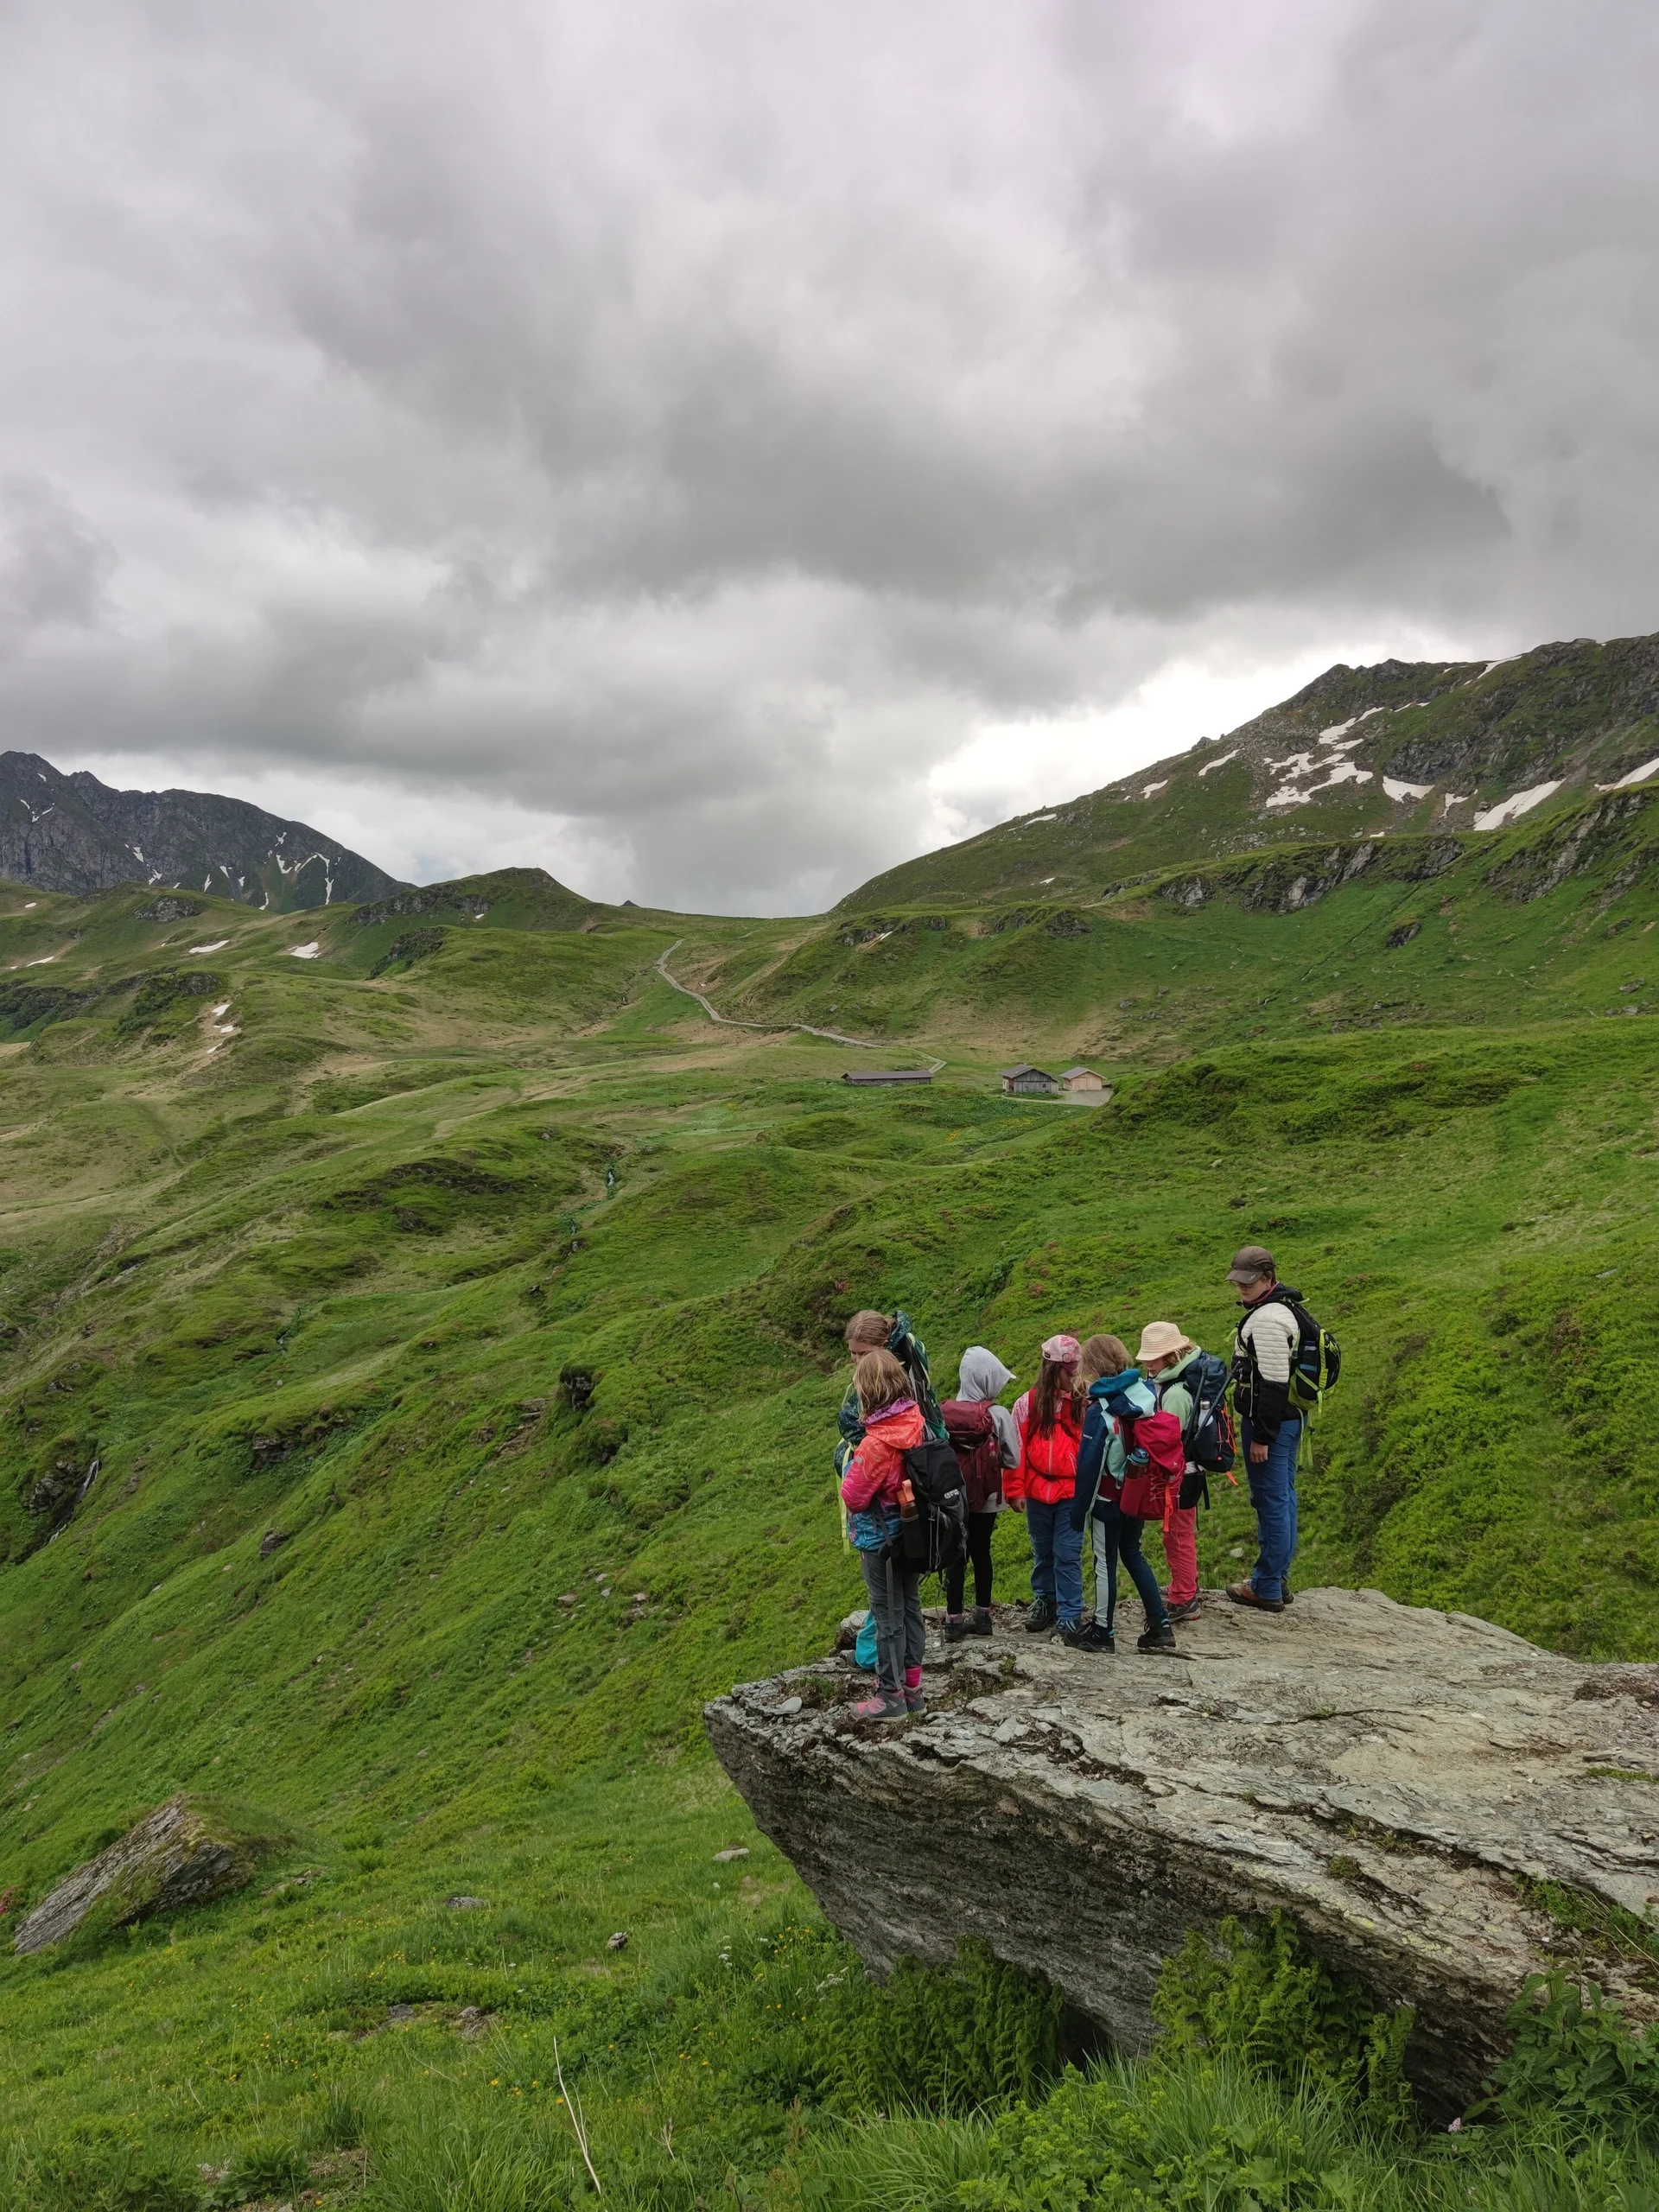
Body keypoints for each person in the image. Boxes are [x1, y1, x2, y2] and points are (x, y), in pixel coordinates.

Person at [839, 1348, 928, 1719]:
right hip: (911, 1532)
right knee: (910, 1609)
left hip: (880, 1540)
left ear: (869, 1392)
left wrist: (853, 1460)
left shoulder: (877, 1443)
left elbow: (854, 1496)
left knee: (886, 1616)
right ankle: (913, 1689)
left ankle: (889, 1695)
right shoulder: (914, 1421)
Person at [1073, 1336, 1175, 1654]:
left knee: (1105, 1563)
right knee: (1133, 1553)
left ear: (1091, 1368)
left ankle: (1103, 1631)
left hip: (1107, 1498)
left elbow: (1090, 1467)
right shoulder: (1144, 1393)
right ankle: (1160, 1625)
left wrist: (1078, 1513)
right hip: (1136, 1491)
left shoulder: (1100, 1409)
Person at [1225, 1244, 1303, 1613]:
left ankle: (1267, 1586)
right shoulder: (1282, 1308)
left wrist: (1262, 1436)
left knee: (1271, 1502)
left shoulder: (1269, 1320)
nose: (1242, 1288)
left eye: (1249, 1282)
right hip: (1288, 1420)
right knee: (1283, 1498)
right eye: (1238, 1281)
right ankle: (1279, 1579)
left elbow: (1273, 1383)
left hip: (1270, 1423)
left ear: (1269, 1278)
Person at [938, 1346, 1020, 1640]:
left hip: (952, 1499)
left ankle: (953, 1620)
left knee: (955, 1555)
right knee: (981, 1552)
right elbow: (1013, 1460)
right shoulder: (998, 1414)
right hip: (987, 1500)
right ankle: (983, 1616)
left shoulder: (944, 1412)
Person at [1007, 1333, 1085, 1643]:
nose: (1075, 1377)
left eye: (1077, 1369)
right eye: (1070, 1372)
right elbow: (1015, 1450)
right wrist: (1015, 1490)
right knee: (1043, 1550)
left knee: (1067, 1553)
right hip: (1038, 1491)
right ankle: (1046, 1599)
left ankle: (1070, 1612)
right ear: (1053, 1368)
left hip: (1071, 1492)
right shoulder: (1026, 1404)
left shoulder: (1084, 1401)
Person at [1137, 1322, 1204, 1623]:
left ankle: (1184, 1599)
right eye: (1147, 1355)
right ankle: (1186, 1587)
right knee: (1178, 1534)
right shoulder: (1172, 1383)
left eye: (1156, 1355)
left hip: (1180, 1475)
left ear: (1172, 1355)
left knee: (1177, 1536)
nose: (1149, 1361)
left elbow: (1170, 1441)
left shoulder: (1175, 1393)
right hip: (1186, 1472)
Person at [836, 1308, 945, 1481]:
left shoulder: (886, 1378)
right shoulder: (907, 1348)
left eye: (863, 1353)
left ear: (885, 1344)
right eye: (853, 1352)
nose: (857, 1360)